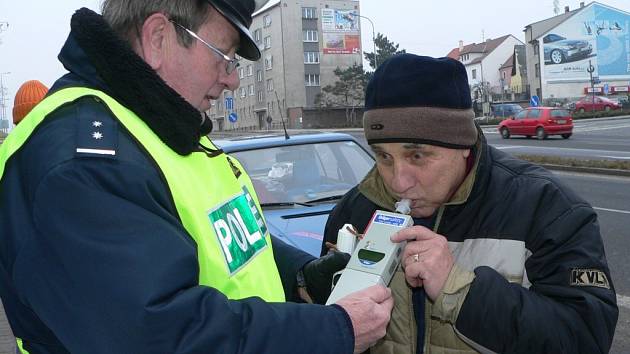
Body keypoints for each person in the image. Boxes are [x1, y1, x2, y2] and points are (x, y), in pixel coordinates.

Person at [0, 1, 393, 353]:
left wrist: (300, 275)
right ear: (158, 38)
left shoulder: (161, 130)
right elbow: (161, 334)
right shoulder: (85, 163)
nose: (232, 79)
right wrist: (332, 331)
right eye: (224, 56)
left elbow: (225, 241)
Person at [322, 54, 618, 354]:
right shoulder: (356, 211)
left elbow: (586, 337)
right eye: (383, 157)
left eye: (417, 156)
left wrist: (459, 289)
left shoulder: (546, 208)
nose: (398, 182)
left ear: (462, 145)